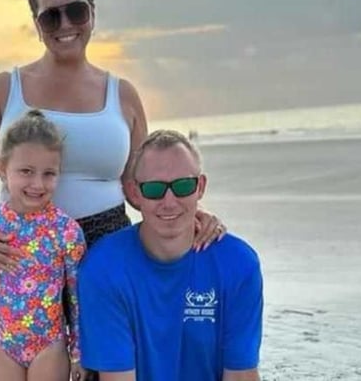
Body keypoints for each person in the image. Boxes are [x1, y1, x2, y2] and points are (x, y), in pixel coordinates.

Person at [0, 0, 225, 276]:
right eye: (51, 17)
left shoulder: (122, 95)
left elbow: (143, 185)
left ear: (93, 14)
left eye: (76, 11)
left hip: (110, 252)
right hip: (24, 255)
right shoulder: (5, 89)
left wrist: (189, 211)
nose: (65, 23)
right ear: (37, 26)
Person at [78, 130, 263, 381]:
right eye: (154, 189)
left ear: (200, 187)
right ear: (135, 193)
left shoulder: (239, 265)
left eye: (183, 186)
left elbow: (241, 375)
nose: (169, 201)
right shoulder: (103, 269)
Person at [0, 110, 87, 381]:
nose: (38, 184)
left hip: (49, 344)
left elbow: (75, 297)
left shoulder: (65, 230)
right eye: (26, 172)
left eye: (49, 174)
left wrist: (78, 352)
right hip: (3, 343)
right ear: (2, 169)